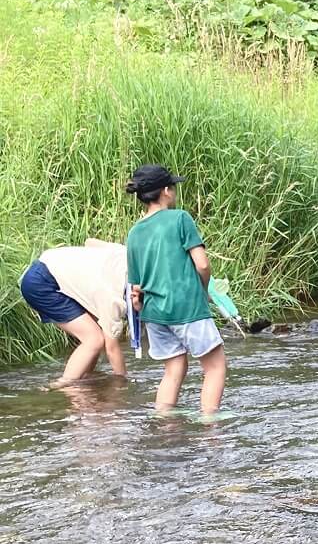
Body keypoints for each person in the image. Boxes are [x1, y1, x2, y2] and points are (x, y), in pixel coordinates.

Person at [125, 165, 227, 415]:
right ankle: (210, 425)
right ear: (166, 191)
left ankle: (164, 421)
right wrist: (202, 290)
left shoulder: (134, 232)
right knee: (215, 367)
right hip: (186, 307)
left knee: (173, 369)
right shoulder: (180, 218)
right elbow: (202, 264)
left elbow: (135, 287)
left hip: (154, 313)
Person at [18, 240, 129, 384]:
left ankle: (84, 379)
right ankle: (63, 385)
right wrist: (123, 382)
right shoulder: (113, 298)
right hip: (42, 283)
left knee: (94, 334)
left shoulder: (125, 254)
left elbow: (89, 242)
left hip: (49, 264)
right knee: (94, 339)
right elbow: (112, 349)